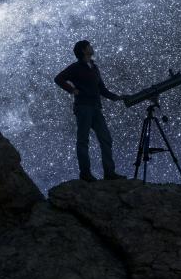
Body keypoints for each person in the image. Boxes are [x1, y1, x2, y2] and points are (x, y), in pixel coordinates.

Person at [54, 40, 128, 182]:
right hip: (83, 108)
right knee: (83, 141)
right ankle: (85, 174)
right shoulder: (75, 67)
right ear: (83, 50)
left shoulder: (94, 67)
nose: (92, 47)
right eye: (89, 46)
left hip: (96, 108)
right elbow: (58, 79)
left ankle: (109, 173)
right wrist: (72, 90)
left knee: (105, 138)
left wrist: (116, 97)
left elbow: (102, 89)